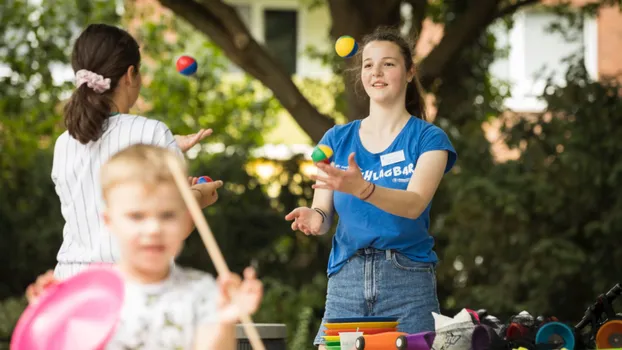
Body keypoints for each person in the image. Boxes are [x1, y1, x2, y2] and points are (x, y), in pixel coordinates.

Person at [284, 26, 458, 348]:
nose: (376, 72)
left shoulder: (429, 139)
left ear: (409, 73)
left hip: (408, 281)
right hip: (346, 281)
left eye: (388, 63)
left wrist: (362, 187)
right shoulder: (336, 140)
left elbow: (414, 204)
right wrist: (313, 216)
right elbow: (323, 212)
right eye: (368, 64)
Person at [27, 144, 263, 350]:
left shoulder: (203, 292)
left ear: (186, 220)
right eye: (137, 216)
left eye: (168, 216)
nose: (153, 229)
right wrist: (50, 318)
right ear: (109, 222)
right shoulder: (91, 293)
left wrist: (224, 321)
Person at [52, 23, 222, 279]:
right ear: (130, 75)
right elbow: (174, 223)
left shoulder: (64, 142)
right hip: (134, 287)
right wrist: (199, 195)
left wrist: (166, 148)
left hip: (71, 288)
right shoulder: (151, 132)